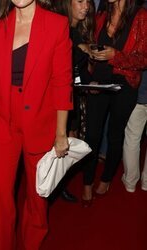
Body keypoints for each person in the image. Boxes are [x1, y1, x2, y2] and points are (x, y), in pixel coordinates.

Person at [0, 0, 73, 249]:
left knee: (37, 196)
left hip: (41, 119)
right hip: (3, 118)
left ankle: (32, 242)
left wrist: (61, 132)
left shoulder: (57, 24)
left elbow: (62, 82)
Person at [82, 0, 147, 206]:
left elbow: (143, 59)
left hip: (125, 86)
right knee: (91, 134)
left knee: (115, 134)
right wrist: (92, 57)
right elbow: (93, 47)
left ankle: (107, 178)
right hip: (98, 83)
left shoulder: (141, 16)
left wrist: (115, 56)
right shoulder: (102, 13)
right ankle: (86, 182)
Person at [54, 0, 95, 203]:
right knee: (64, 141)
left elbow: (78, 70)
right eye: (80, 1)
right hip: (61, 97)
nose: (86, 6)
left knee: (70, 141)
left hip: (74, 94)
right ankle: (55, 186)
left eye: (87, 1)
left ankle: (58, 184)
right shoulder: (61, 29)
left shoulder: (76, 30)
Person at [122, 70, 147, 193]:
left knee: (132, 139)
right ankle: (146, 182)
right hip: (138, 95)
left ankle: (130, 182)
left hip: (138, 95)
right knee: (132, 139)